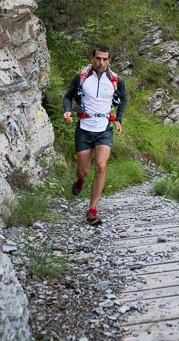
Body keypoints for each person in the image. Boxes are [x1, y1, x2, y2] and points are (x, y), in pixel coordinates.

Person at [63, 45, 127, 225]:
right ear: (92, 58)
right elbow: (67, 97)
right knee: (83, 171)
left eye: (105, 59)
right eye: (98, 58)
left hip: (104, 129)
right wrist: (67, 111)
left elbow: (124, 100)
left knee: (101, 165)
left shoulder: (115, 80)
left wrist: (118, 118)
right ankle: (80, 181)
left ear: (109, 60)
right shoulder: (82, 77)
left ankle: (92, 209)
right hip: (84, 127)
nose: (101, 62)